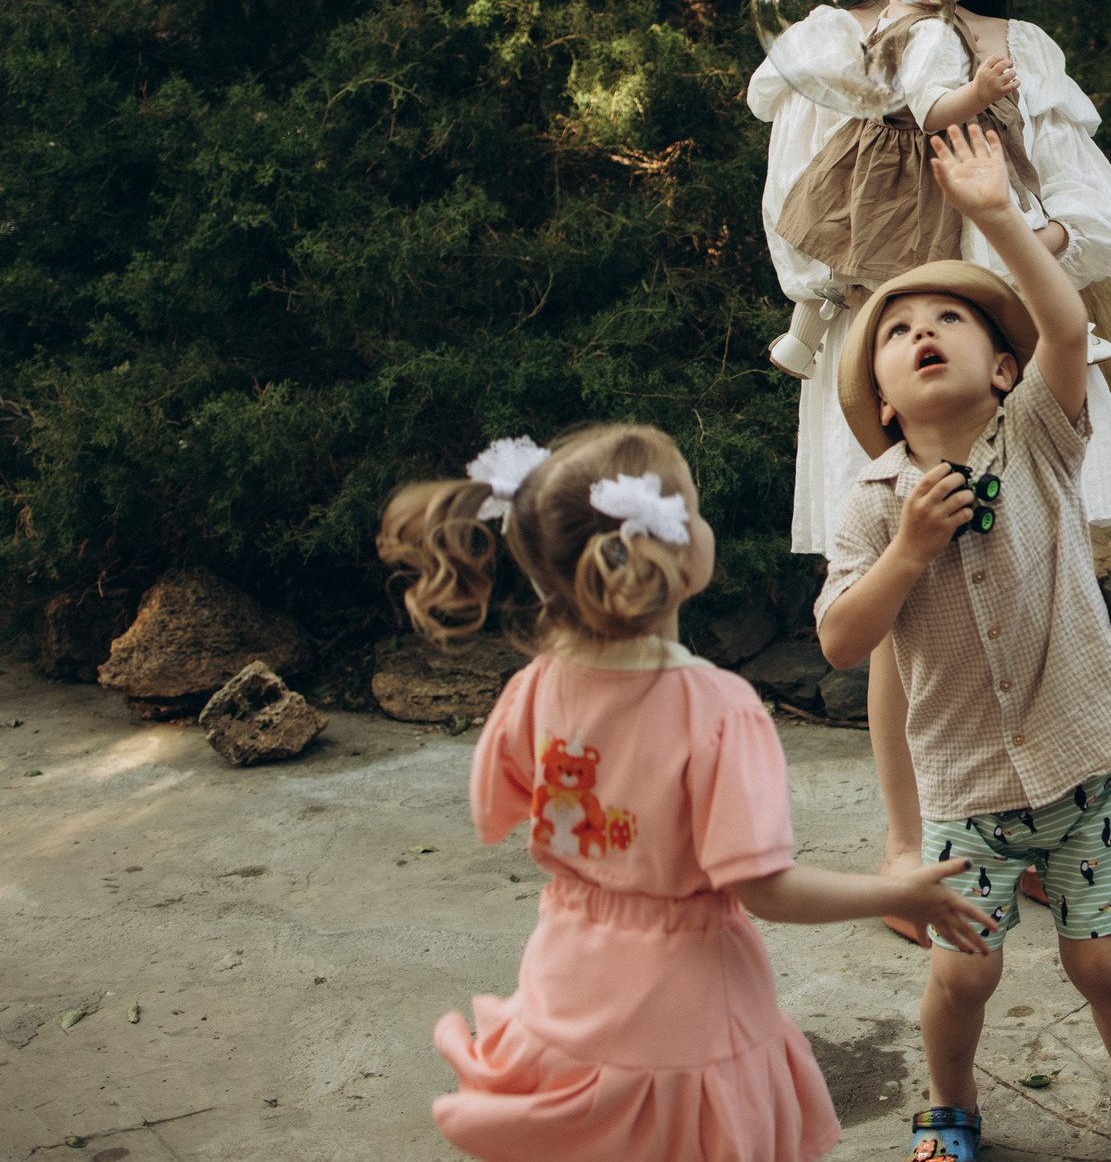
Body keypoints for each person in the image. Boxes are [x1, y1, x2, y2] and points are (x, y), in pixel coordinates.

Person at [378, 423, 996, 1162]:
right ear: (665, 545)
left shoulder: (535, 685)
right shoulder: (717, 707)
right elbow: (762, 887)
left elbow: (492, 808)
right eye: (695, 510)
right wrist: (899, 892)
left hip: (567, 984)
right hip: (688, 1013)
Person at [754, 0, 1111, 938]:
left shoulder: (1017, 49)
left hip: (1007, 353)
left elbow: (1110, 222)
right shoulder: (829, 45)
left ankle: (1028, 822)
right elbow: (795, 226)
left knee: (1031, 577)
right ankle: (905, 846)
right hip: (889, 352)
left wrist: (1027, 247)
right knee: (900, 604)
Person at [814, 124, 1111, 1162]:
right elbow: (844, 642)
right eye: (899, 332)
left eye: (950, 319)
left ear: (1003, 367)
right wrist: (908, 551)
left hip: (1082, 775)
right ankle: (949, 1109)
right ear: (884, 400)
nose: (922, 331)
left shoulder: (1037, 440)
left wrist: (993, 216)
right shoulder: (872, 507)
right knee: (960, 975)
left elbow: (1068, 326)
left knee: (1102, 965)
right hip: (965, 793)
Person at [761, 0, 1043, 379]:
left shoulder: (897, 12)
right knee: (918, 264)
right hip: (915, 163)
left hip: (872, 153)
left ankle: (800, 344)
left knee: (844, 257)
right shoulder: (933, 31)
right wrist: (980, 93)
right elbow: (931, 110)